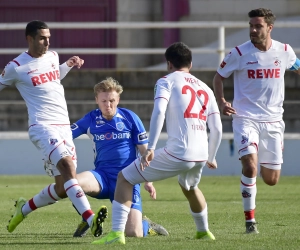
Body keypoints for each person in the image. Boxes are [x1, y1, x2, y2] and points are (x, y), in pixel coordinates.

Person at [91, 42, 223, 245]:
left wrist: (150, 147)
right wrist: (212, 156)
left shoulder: (166, 81)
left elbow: (159, 111)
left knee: (124, 178)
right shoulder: (205, 87)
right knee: (189, 187)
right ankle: (203, 231)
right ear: (191, 63)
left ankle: (116, 234)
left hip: (179, 151)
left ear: (169, 63)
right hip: (201, 153)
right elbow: (217, 128)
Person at [2, 20, 103, 236]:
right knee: (68, 167)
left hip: (64, 127)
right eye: (42, 38)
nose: (47, 42)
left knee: (62, 188)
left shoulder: (53, 56)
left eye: (49, 38)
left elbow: (53, 77)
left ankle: (24, 208)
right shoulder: (16, 67)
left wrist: (67, 65)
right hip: (42, 127)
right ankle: (91, 219)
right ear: (29, 39)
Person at [212, 8, 300, 234]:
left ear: (269, 28)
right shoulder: (239, 53)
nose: (253, 29)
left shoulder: (285, 51)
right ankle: (250, 222)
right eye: (251, 25)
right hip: (245, 119)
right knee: (250, 167)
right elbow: (218, 77)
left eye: (258, 26)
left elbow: (297, 67)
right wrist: (222, 101)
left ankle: (257, 170)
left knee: (271, 180)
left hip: (273, 121)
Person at [70, 77, 169, 237]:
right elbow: (66, 135)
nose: (108, 105)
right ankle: (88, 219)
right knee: (72, 183)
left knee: (133, 233)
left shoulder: (130, 118)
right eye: (104, 101)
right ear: (96, 100)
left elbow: (145, 151)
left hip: (128, 179)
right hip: (102, 177)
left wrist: (148, 180)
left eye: (112, 100)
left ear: (118, 99)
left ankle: (146, 225)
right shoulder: (91, 118)